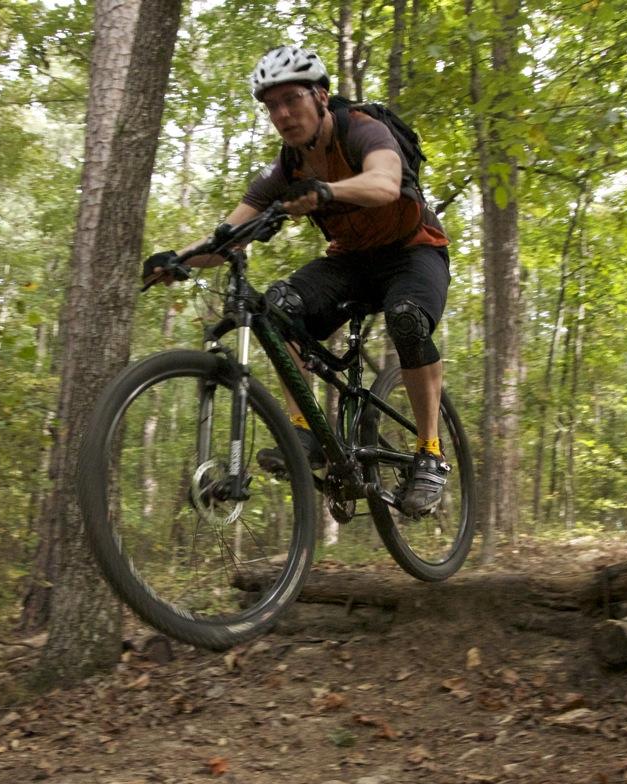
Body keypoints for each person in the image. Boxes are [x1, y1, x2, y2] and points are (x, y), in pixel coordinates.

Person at [143, 45, 452, 516]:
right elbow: (228, 236)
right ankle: (307, 431)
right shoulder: (286, 167)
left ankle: (430, 451)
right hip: (350, 262)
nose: (283, 114)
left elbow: (386, 184)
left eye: (292, 100)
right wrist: (178, 259)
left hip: (414, 251)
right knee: (277, 308)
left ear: (321, 97)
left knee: (407, 320)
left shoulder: (363, 129)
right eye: (272, 107)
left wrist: (327, 190)